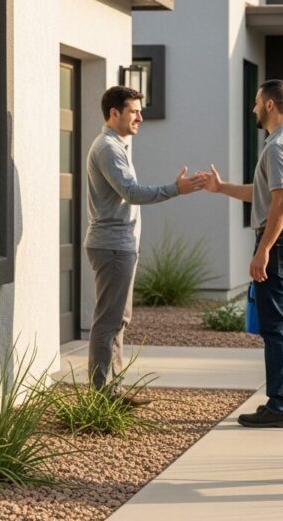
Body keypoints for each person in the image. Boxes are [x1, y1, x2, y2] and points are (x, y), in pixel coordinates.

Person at [85, 86, 207, 402]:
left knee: (118, 320)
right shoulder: (108, 148)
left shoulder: (117, 145)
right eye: (134, 111)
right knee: (109, 321)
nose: (140, 117)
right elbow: (132, 193)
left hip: (119, 245)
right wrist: (176, 189)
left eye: (140, 111)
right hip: (113, 246)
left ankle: (112, 391)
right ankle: (101, 397)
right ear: (114, 113)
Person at [203, 79, 283, 427]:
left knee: (276, 328)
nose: (252, 108)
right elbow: (265, 193)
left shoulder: (278, 147)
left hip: (279, 244)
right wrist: (221, 188)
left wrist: (263, 248)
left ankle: (280, 407)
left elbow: (282, 201)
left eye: (255, 102)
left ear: (268, 104)